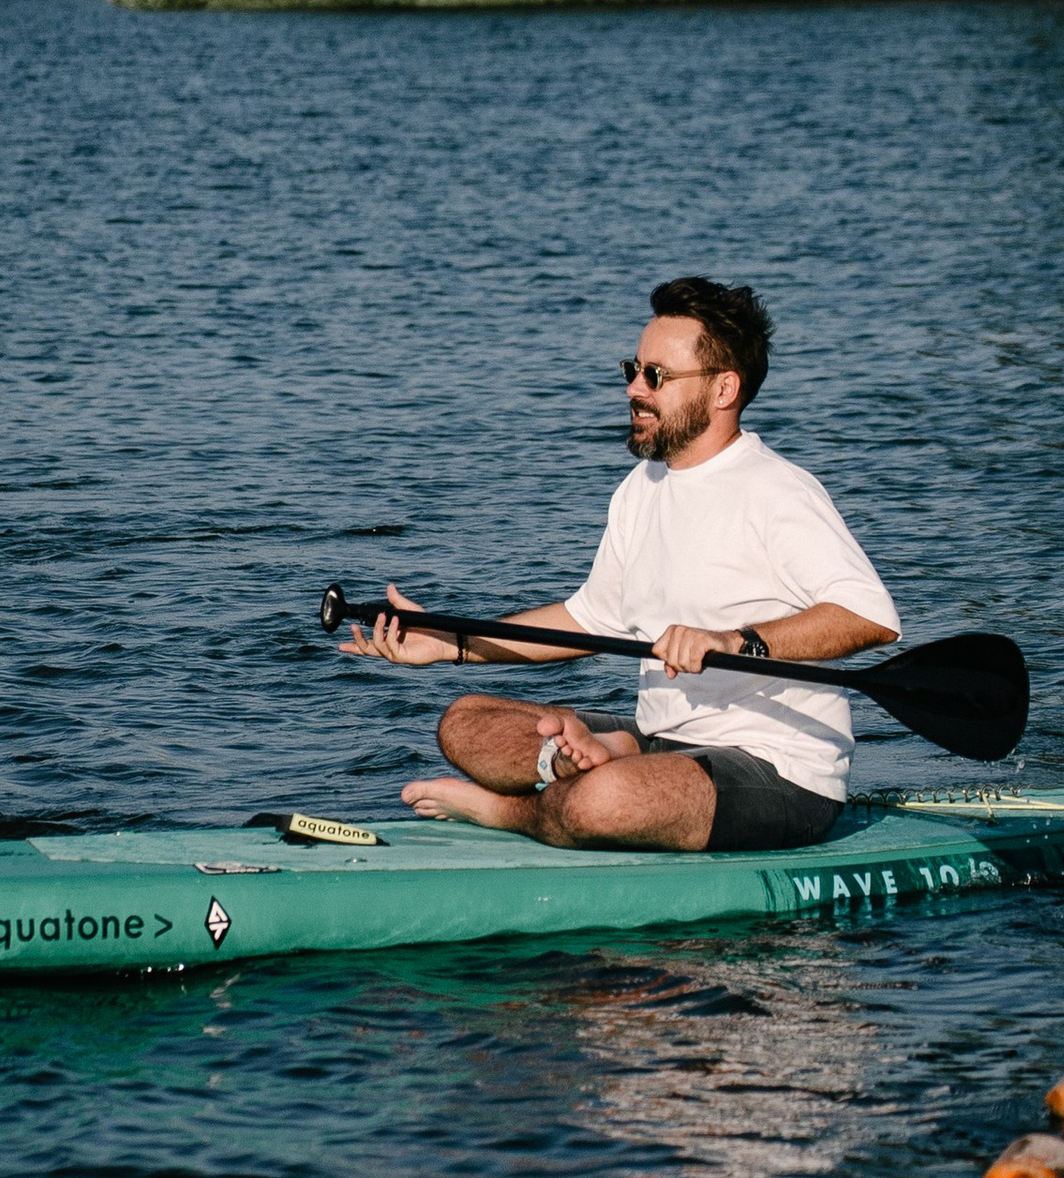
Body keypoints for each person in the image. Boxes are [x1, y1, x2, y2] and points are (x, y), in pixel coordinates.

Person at [337, 276, 897, 853]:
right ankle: (597, 764)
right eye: (632, 368)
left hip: (777, 774)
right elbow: (591, 619)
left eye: (656, 376)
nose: (634, 387)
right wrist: (452, 643)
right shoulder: (642, 486)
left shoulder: (778, 492)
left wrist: (733, 641)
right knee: (465, 721)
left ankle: (512, 809)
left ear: (723, 389)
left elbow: (868, 616)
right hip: (661, 743)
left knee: (604, 801)